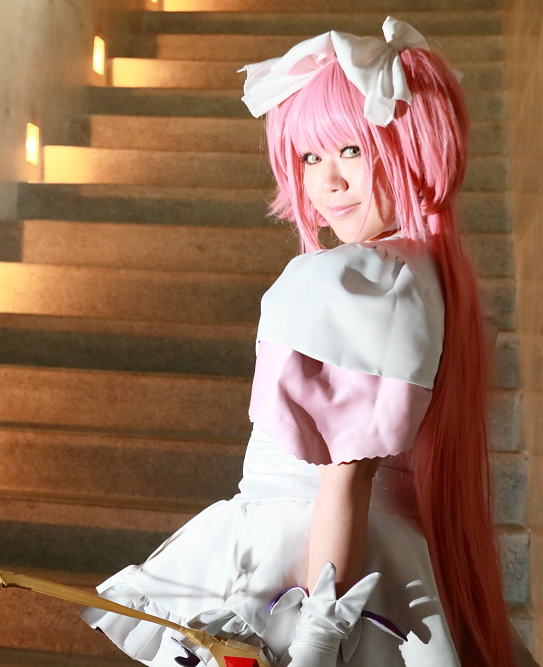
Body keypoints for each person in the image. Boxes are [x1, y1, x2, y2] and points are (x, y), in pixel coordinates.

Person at [81, 17, 538, 667]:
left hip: (313, 556)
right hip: (363, 553)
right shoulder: (433, 276)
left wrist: (319, 633)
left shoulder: (356, 277)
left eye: (351, 149)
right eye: (310, 157)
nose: (328, 181)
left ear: (414, 146)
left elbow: (345, 477)